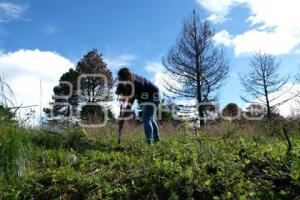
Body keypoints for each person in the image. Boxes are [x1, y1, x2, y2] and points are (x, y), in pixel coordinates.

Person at [116, 67, 160, 144]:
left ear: (127, 77)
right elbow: (122, 97)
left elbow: (129, 106)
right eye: (120, 80)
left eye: (122, 80)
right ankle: (157, 140)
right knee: (150, 119)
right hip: (147, 98)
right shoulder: (124, 82)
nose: (121, 81)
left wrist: (122, 120)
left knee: (146, 118)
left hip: (153, 97)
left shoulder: (135, 84)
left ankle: (149, 142)